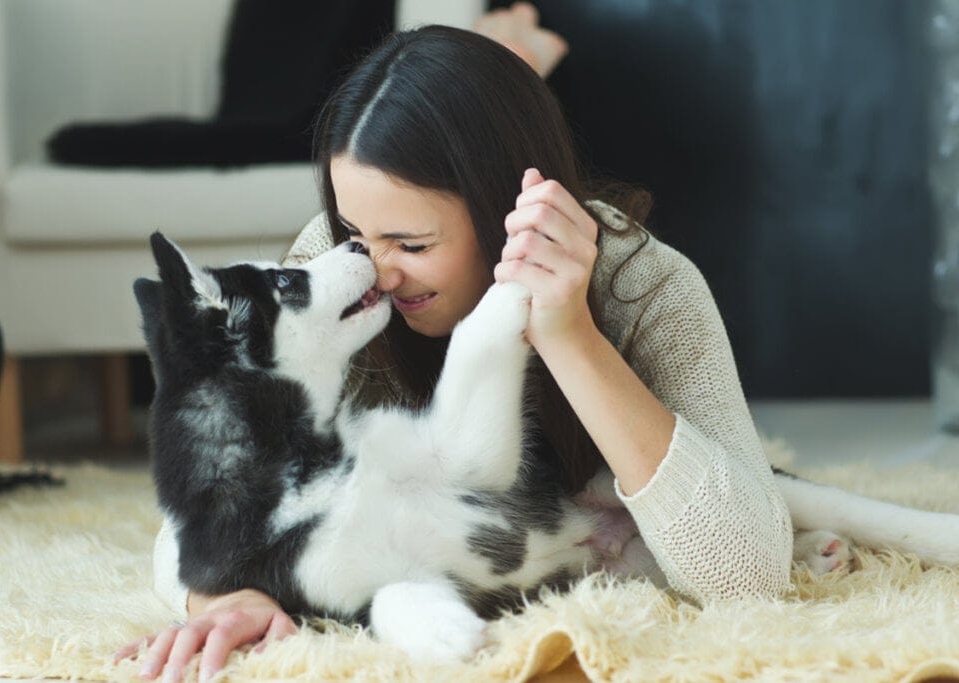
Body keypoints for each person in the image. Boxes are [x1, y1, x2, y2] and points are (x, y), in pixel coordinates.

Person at [120, 10, 794, 683]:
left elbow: (749, 573)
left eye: (412, 245)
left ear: (506, 211)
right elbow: (205, 504)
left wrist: (567, 332)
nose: (376, 272)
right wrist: (228, 595)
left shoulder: (644, 284)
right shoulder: (336, 271)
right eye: (354, 229)